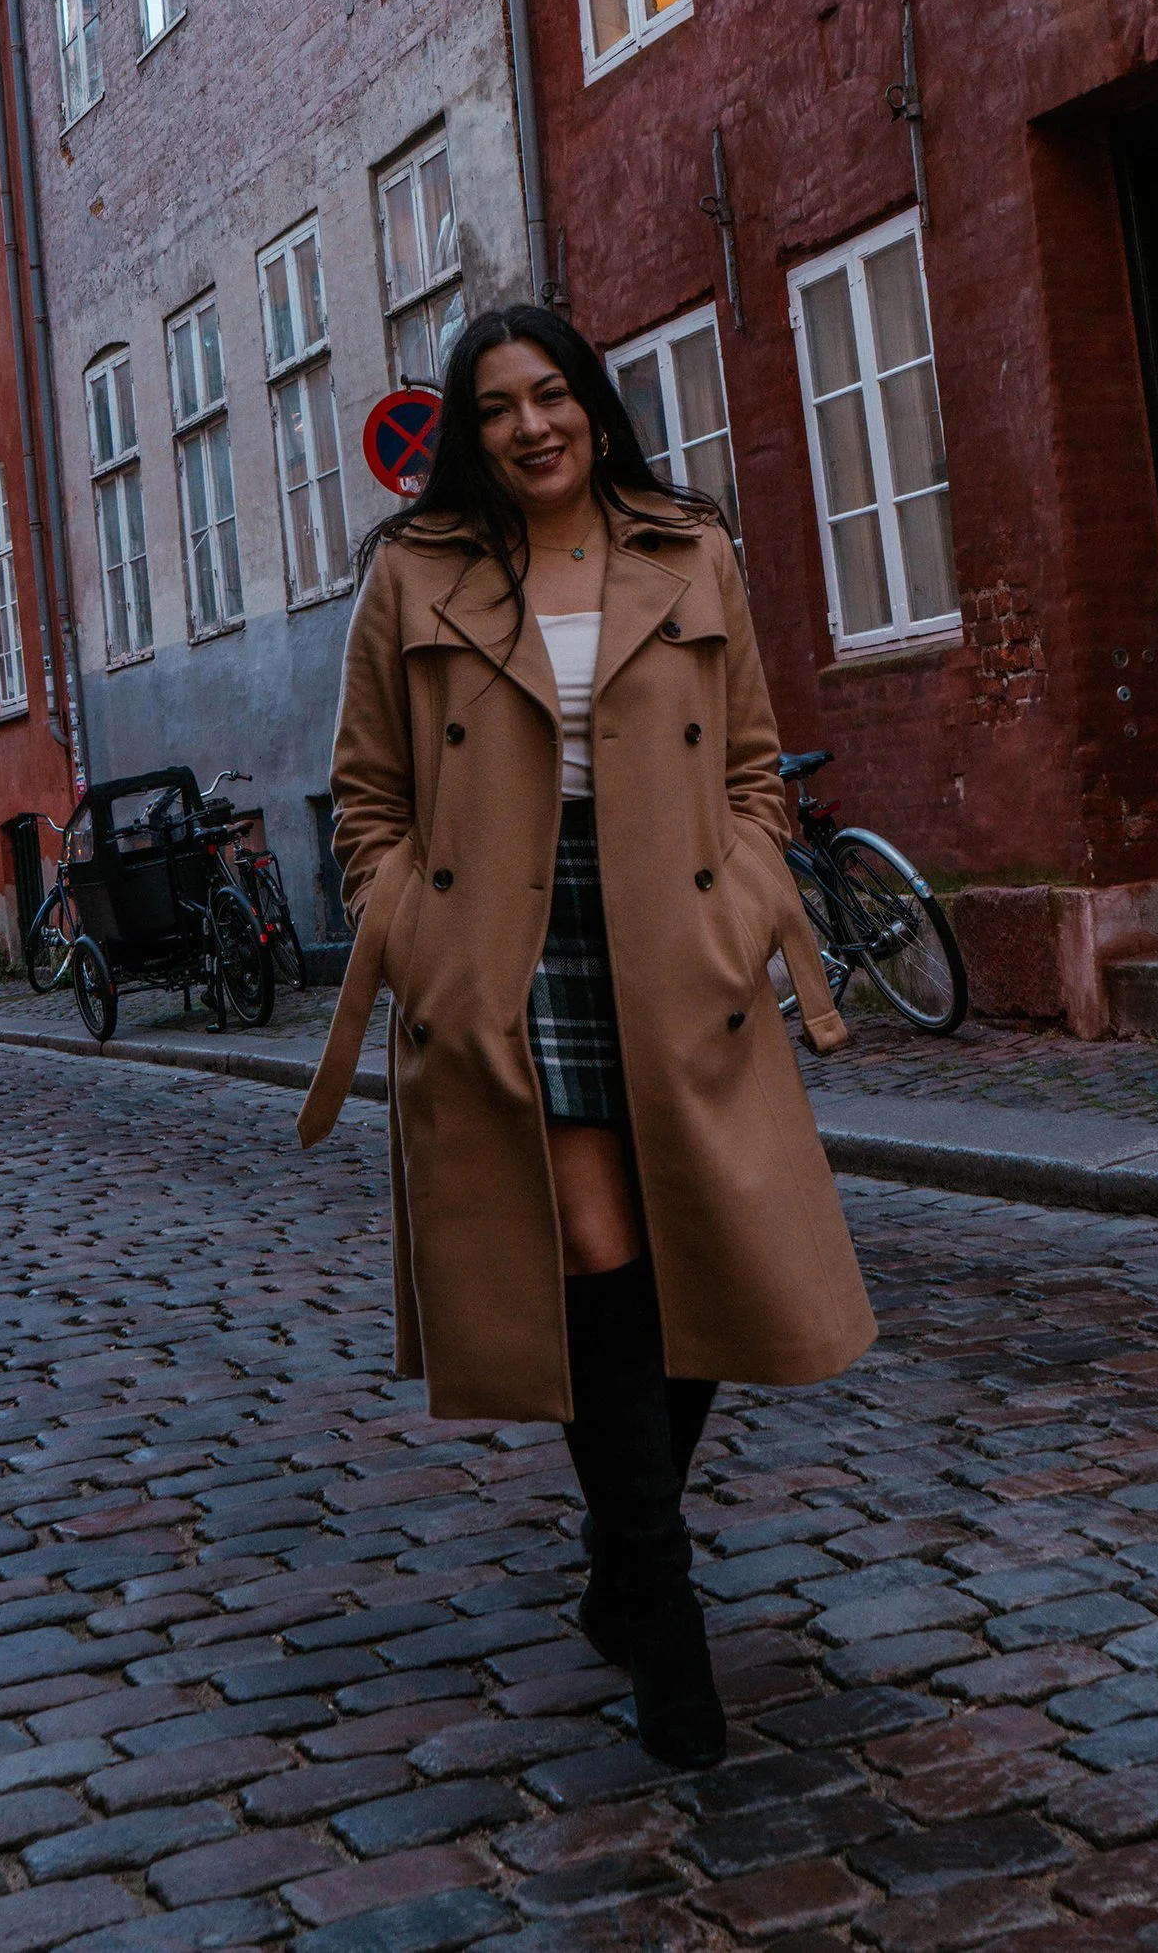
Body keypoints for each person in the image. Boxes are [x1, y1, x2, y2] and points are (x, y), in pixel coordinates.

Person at [298, 301, 875, 1769]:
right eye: (496, 407)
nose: (530, 426)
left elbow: (753, 765)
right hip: (508, 946)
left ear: (593, 406)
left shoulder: (688, 548)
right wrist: (414, 935)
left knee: (701, 1252)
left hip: (676, 935)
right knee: (602, 1262)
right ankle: (666, 1623)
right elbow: (367, 800)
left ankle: (620, 1565)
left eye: (550, 395)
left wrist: (747, 894)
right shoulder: (416, 572)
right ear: (468, 433)